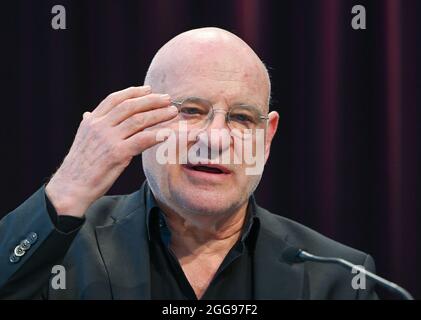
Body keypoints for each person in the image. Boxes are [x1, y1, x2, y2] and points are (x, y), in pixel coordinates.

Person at [0, 27, 377, 299]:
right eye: (191, 111)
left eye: (242, 118)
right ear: (143, 117)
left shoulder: (338, 277)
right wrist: (67, 188)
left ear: (267, 136)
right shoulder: (62, 253)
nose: (214, 139)